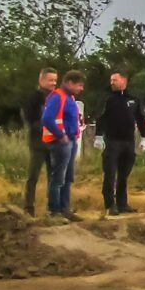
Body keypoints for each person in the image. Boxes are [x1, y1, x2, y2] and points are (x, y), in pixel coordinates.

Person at [94, 71, 145, 215]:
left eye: (115, 80)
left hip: (128, 142)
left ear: (124, 81)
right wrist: (98, 136)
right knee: (110, 174)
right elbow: (101, 117)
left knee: (124, 175)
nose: (112, 82)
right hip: (112, 141)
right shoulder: (107, 98)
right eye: (111, 80)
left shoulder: (134, 99)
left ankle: (122, 204)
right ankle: (110, 204)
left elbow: (140, 118)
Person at [41, 70, 86, 220]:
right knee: (58, 178)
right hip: (61, 143)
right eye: (79, 85)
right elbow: (46, 118)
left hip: (71, 141)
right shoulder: (57, 96)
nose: (81, 89)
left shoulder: (70, 98)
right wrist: (61, 136)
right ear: (70, 83)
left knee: (67, 177)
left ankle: (65, 209)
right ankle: (54, 211)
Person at [21, 67, 58, 216]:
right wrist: (46, 127)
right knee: (33, 175)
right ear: (41, 80)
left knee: (54, 176)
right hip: (38, 142)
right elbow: (30, 120)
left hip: (54, 142)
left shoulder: (57, 97)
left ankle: (53, 208)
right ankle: (28, 207)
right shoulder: (33, 98)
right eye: (50, 80)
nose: (53, 83)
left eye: (55, 80)